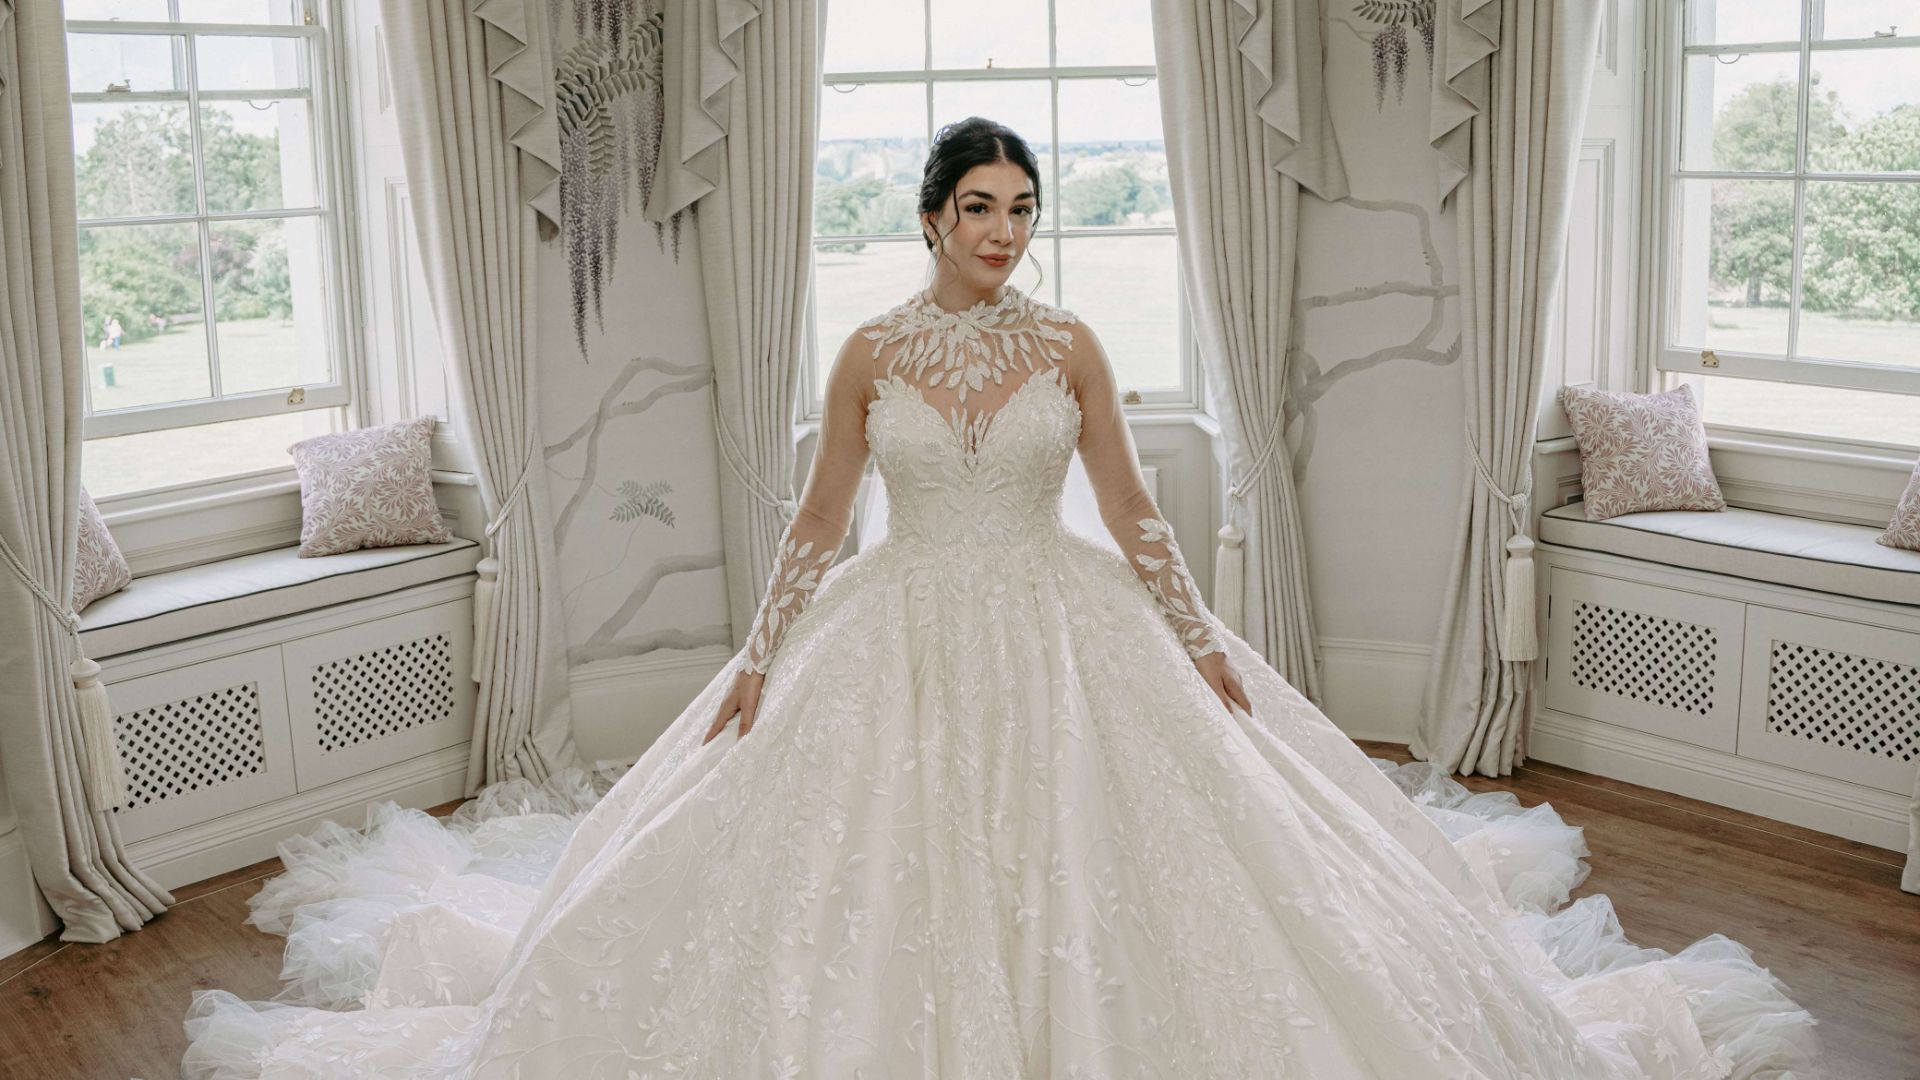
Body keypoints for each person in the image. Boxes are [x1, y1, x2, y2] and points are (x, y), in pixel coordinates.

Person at [179, 118, 1821, 1078]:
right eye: (983, 210)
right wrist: (758, 660)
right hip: (893, 622)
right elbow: (822, 519)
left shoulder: (1070, 347)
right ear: (929, 219)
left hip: (1060, 614)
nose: (1008, 236)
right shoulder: (872, 351)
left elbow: (1131, 510)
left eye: (1024, 211)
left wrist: (1200, 645)